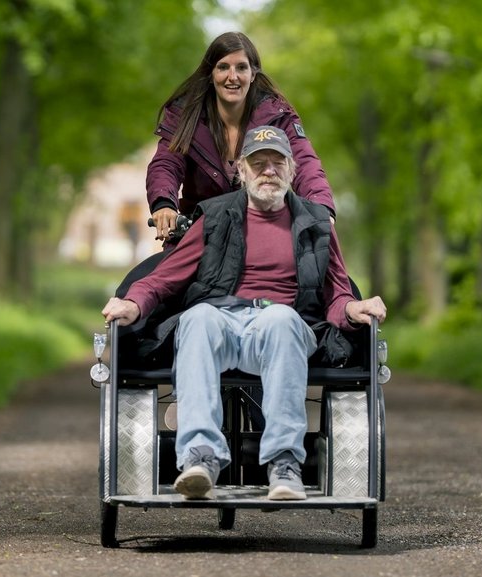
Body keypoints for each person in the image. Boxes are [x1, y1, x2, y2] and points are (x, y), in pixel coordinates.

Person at [102, 126, 387, 501]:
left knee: (279, 320)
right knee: (197, 318)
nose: (268, 170)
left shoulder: (317, 224)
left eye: (277, 162)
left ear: (291, 170)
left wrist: (354, 308)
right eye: (258, 162)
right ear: (242, 171)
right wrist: (133, 303)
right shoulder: (215, 217)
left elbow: (336, 296)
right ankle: (200, 459)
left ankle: (284, 465)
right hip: (221, 320)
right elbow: (165, 277)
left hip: (281, 323)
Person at [147, 31, 335, 246]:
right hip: (197, 232)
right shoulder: (184, 115)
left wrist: (322, 209)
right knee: (158, 270)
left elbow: (305, 163)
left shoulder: (278, 116)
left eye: (241, 67)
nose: (232, 76)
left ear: (253, 74)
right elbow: (166, 163)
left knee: (317, 264)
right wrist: (164, 204)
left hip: (261, 232)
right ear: (211, 74)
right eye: (223, 67)